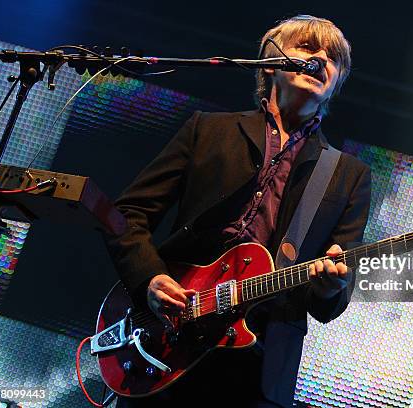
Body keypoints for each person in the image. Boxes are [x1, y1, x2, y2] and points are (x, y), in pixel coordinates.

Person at [106, 14, 371, 408]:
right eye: (308, 48)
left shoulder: (348, 174)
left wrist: (332, 286)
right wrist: (150, 279)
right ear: (271, 63)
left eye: (332, 58)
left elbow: (331, 297)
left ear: (336, 84)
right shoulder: (209, 130)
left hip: (258, 368)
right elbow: (128, 213)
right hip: (168, 337)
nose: (320, 59)